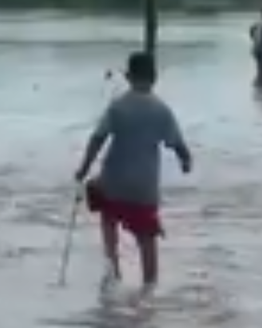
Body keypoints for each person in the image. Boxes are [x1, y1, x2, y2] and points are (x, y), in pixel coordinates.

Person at [74, 51, 192, 295]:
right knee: (146, 235)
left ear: (128, 77)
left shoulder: (118, 106)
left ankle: (112, 264)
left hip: (114, 180)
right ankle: (149, 285)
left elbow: (98, 138)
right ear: (155, 77)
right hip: (144, 186)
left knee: (102, 201)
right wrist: (185, 161)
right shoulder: (162, 110)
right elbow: (178, 144)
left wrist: (84, 167)